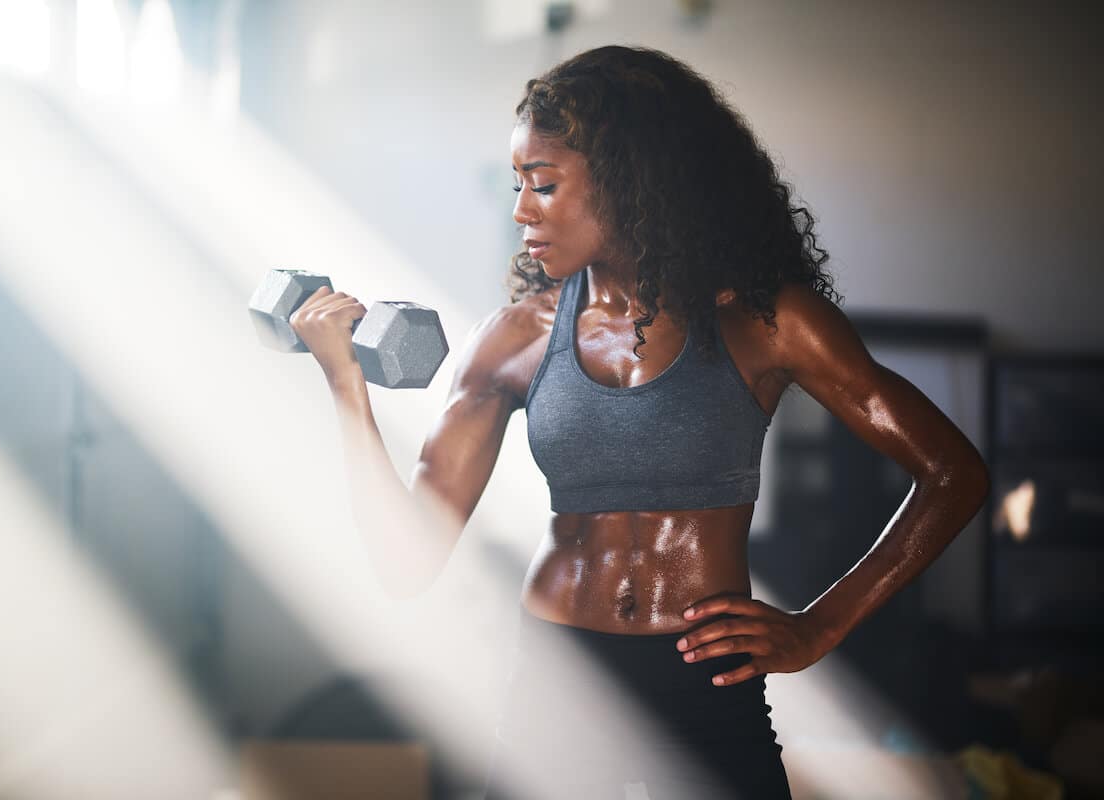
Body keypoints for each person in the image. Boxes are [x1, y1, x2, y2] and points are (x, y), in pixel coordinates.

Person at [289, 45, 991, 800]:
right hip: (559, 678)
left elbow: (954, 474)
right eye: (520, 185)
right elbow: (406, 562)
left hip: (704, 677)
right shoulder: (516, 337)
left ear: (632, 184)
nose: (522, 209)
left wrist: (819, 627)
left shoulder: (768, 323)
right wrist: (344, 384)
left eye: (545, 184)